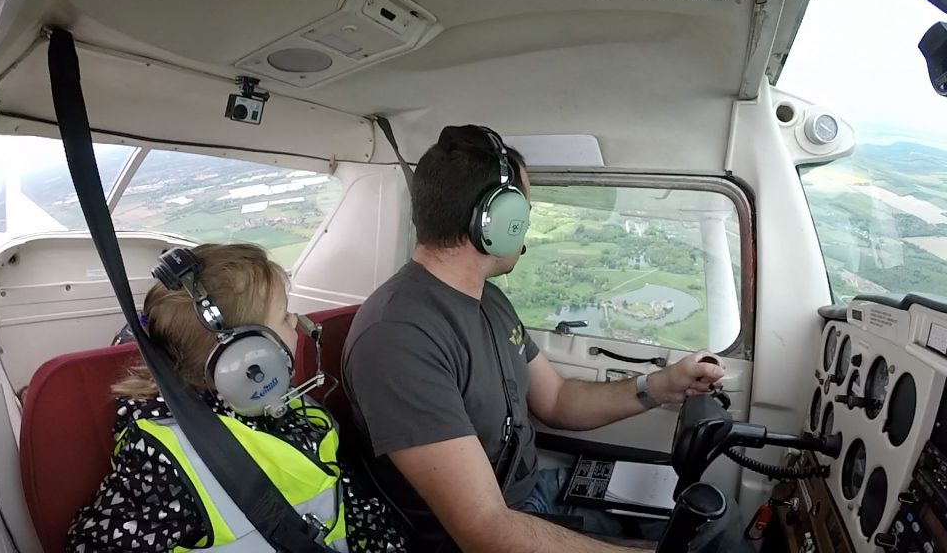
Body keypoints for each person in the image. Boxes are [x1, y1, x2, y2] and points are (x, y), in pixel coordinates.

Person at [341, 125, 751, 553]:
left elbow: (556, 400)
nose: (528, 226)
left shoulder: (490, 301)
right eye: (525, 211)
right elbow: (485, 531)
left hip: (531, 495)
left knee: (718, 517)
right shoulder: (398, 338)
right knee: (708, 538)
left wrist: (657, 387)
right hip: (487, 533)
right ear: (496, 220)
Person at [66, 243, 408, 553]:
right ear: (246, 356)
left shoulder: (292, 408)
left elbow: (354, 507)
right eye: (285, 317)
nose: (298, 324)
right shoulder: (164, 458)